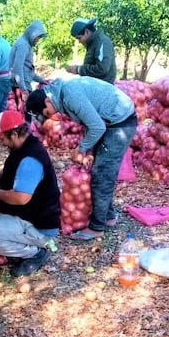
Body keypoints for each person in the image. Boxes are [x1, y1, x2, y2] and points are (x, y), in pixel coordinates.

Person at [25, 76, 136, 241]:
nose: (50, 116)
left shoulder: (70, 95)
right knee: (99, 170)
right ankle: (109, 216)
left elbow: (97, 127)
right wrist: (89, 151)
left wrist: (81, 149)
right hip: (109, 121)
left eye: (47, 113)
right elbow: (88, 122)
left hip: (120, 123)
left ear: (48, 101)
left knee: (102, 174)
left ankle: (97, 227)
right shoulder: (62, 95)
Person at [0, 110, 62, 276]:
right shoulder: (23, 147)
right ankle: (23, 242)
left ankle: (36, 252)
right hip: (27, 216)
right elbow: (9, 171)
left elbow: (21, 198)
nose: (0, 141)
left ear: (14, 133)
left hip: (37, 225)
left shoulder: (30, 159)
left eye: (2, 137)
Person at [9, 20, 48, 111]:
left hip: (23, 85)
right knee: (25, 114)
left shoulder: (26, 45)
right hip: (21, 86)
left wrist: (41, 80)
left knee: (26, 114)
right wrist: (23, 89)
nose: (38, 40)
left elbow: (28, 69)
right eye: (38, 38)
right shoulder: (22, 45)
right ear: (32, 34)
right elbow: (17, 68)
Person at [65, 18, 117, 84]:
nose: (79, 41)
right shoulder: (93, 43)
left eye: (79, 38)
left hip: (102, 88)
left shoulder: (102, 41)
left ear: (87, 32)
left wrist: (78, 69)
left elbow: (102, 68)